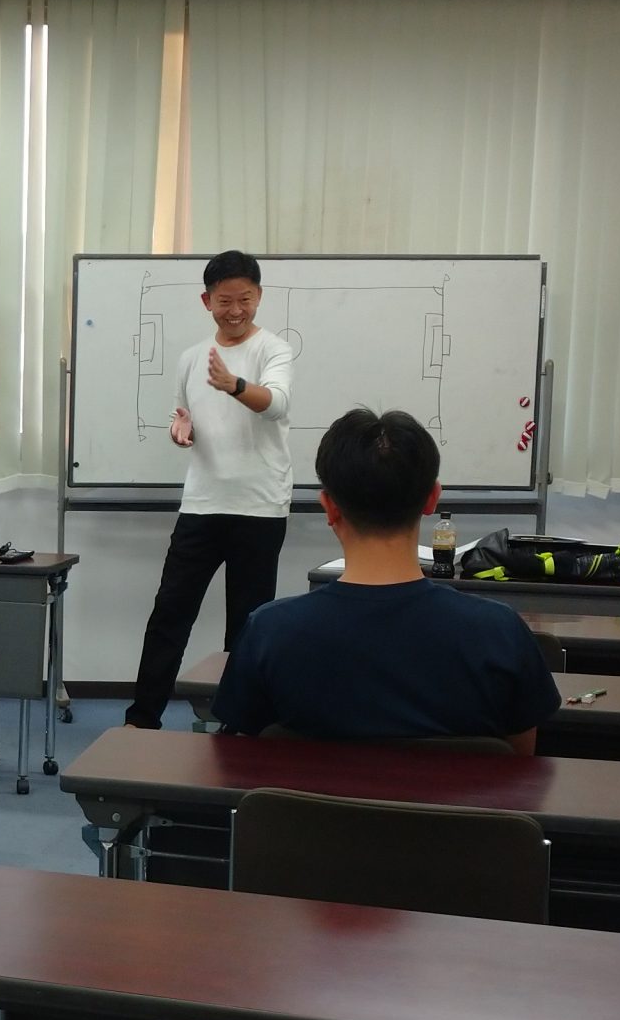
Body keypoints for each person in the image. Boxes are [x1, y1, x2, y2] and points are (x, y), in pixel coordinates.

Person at [213, 407, 561, 751]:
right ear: (432, 499)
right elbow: (519, 765)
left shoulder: (269, 633)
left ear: (329, 507)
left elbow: (243, 760)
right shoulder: (500, 633)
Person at [124, 250, 298, 729]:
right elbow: (182, 415)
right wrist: (180, 429)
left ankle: (237, 725)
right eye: (225, 301)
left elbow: (277, 404)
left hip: (260, 508)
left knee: (245, 625)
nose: (236, 310)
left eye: (245, 299)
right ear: (207, 301)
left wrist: (234, 384)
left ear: (259, 296)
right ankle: (142, 720)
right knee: (169, 614)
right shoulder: (190, 358)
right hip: (202, 505)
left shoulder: (274, 350)